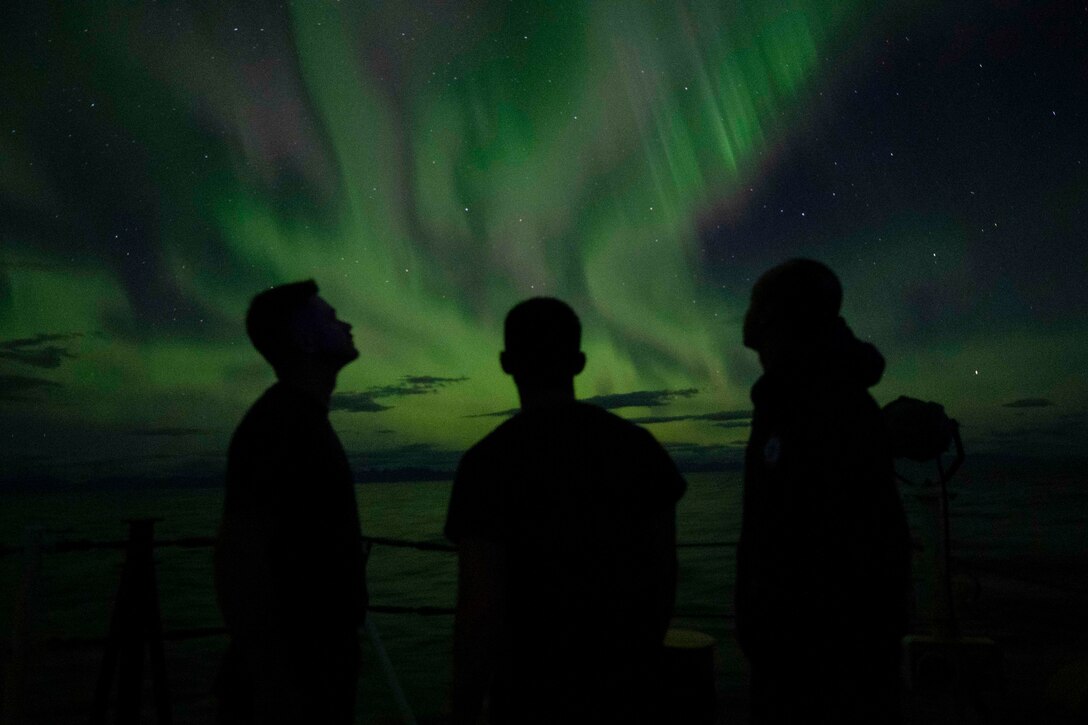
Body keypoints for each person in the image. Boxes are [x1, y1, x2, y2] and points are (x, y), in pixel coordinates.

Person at [446, 297, 686, 724]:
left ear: (505, 363)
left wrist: (464, 708)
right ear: (578, 363)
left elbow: (479, 609)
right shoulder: (638, 449)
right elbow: (663, 577)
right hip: (632, 692)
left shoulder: (486, 464)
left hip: (529, 696)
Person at [734, 259, 912, 724]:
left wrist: (777, 633)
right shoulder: (805, 394)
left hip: (819, 662)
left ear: (779, 317)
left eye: (758, 307)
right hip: (812, 650)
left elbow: (823, 537)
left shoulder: (818, 400)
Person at [213, 280, 367, 725]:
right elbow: (238, 557)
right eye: (331, 318)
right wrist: (276, 684)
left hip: (310, 672)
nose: (347, 324)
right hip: (295, 684)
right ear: (303, 339)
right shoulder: (280, 428)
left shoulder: (294, 422)